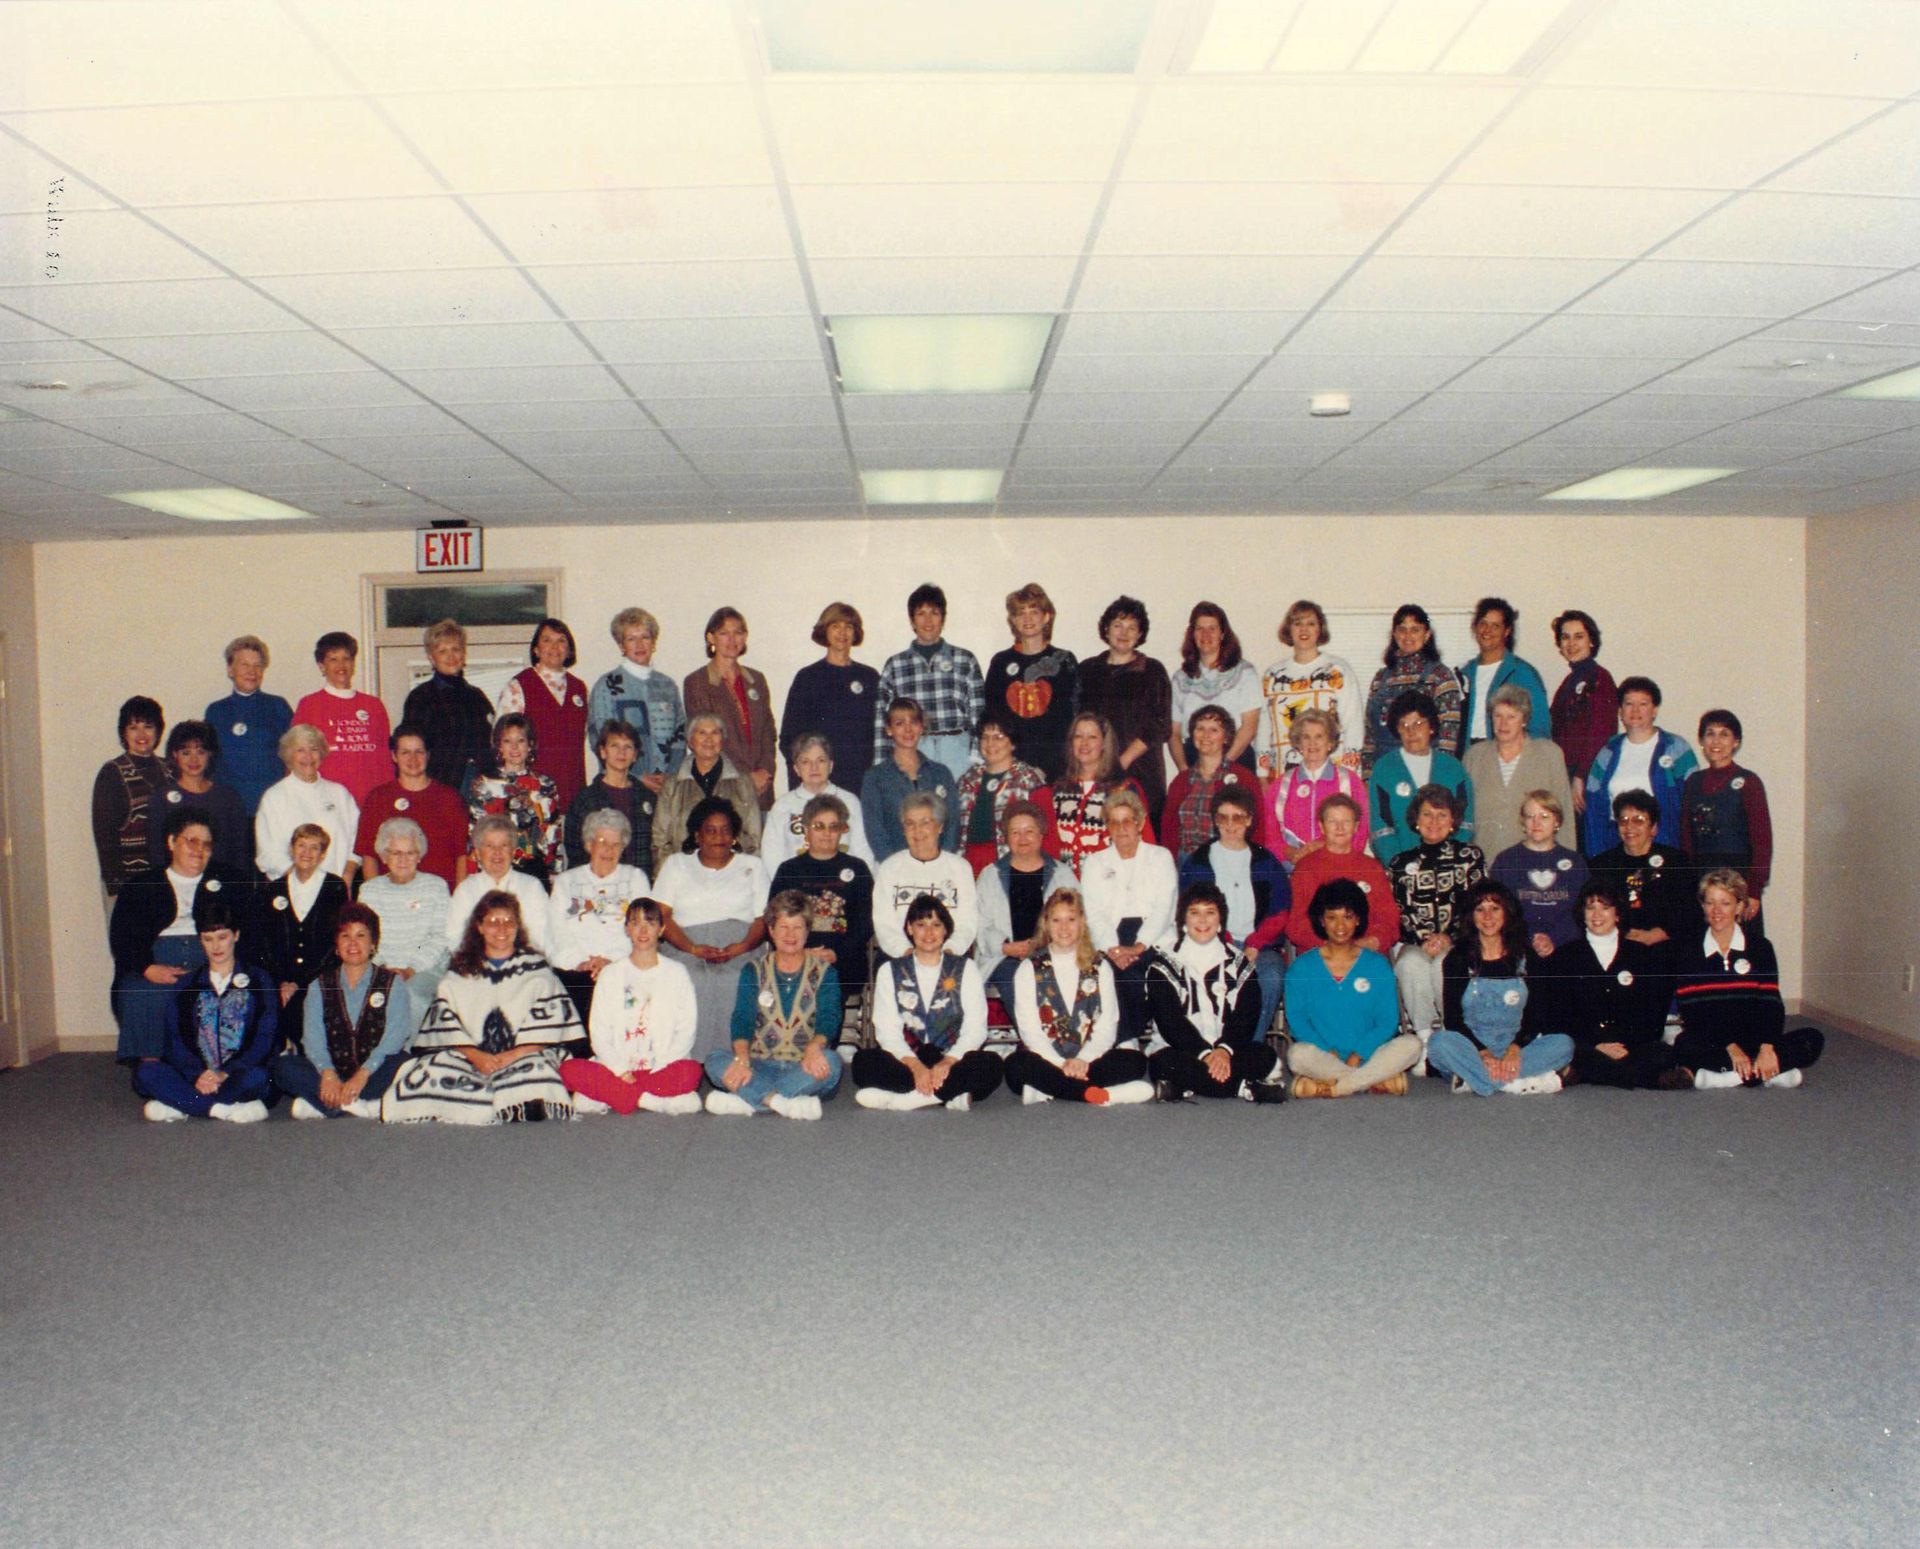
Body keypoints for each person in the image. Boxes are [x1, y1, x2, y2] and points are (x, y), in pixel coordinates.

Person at [384, 891, 584, 1124]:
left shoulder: (537, 969)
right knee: (428, 1072)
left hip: (524, 1055)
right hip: (470, 1056)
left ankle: (477, 1105)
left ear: (518, 926)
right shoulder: (460, 971)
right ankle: (506, 1103)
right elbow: (445, 1024)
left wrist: (512, 1055)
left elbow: (551, 1027)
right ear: (479, 927)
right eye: (493, 921)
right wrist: (476, 1056)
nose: (502, 928)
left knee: (539, 1072)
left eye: (509, 921)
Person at [109, 806, 249, 1065]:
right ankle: (152, 1070)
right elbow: (122, 938)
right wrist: (147, 968)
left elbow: (248, 932)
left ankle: (211, 1068)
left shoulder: (231, 881)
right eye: (191, 841)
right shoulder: (141, 885)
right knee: (141, 992)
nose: (199, 850)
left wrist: (219, 968)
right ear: (172, 842)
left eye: (206, 844)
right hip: (155, 961)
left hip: (213, 958)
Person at [131, 894, 277, 1124]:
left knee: (258, 1078)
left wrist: (224, 1072)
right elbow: (175, 1039)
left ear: (236, 936)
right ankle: (218, 1109)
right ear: (200, 940)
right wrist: (198, 1073)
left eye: (222, 937)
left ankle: (184, 1103)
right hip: (196, 1076)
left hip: (237, 1074)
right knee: (145, 1072)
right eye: (208, 939)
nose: (216, 946)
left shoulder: (259, 980)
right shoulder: (186, 984)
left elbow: (265, 1039)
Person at [1672, 869, 1823, 1091]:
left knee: (1812, 1039)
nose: (1716, 911)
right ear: (1702, 906)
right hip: (1715, 1040)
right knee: (1683, 1044)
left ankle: (1729, 1076)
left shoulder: (1761, 948)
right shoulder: (1688, 950)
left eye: (1725, 903)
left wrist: (1767, 1048)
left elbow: (1771, 1004)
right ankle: (1769, 1074)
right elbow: (1693, 1012)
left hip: (1754, 1038)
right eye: (1710, 903)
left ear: (1739, 906)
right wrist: (1731, 1047)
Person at [1003, 888, 1153, 1106]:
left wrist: (1083, 1060)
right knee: (1016, 1066)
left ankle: (1050, 1089)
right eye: (1056, 920)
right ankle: (1100, 1094)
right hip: (1047, 1059)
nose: (1064, 928)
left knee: (1134, 1061)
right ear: (1046, 924)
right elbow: (1029, 1030)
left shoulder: (1100, 966)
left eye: (1071, 920)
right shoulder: (1029, 968)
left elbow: (1107, 1025)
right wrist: (1060, 1063)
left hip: (1089, 1059)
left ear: (1082, 923)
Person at [1425, 880, 1573, 1096]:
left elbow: (1536, 1015)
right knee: (1439, 1043)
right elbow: (1453, 1020)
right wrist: (1483, 1052)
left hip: (1515, 1048)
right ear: (1471, 915)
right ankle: (1513, 1082)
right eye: (1480, 909)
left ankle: (1477, 1079)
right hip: (1471, 1048)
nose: (1488, 917)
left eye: (1495, 908)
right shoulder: (1457, 959)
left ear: (1507, 912)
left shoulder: (1527, 957)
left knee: (1564, 1044)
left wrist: (1515, 1048)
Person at [856, 894, 1002, 1111]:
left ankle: (911, 1099)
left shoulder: (966, 968)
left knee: (990, 1064)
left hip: (951, 1057)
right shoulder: (889, 971)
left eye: (936, 925)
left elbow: (975, 1029)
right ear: (909, 929)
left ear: (946, 931)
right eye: (921, 925)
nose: (929, 933)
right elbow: (887, 1032)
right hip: (908, 1058)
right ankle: (949, 1093)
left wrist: (948, 1061)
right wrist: (916, 1067)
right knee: (863, 1063)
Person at [704, 891, 843, 1119]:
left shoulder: (825, 972)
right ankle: (781, 1102)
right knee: (715, 1060)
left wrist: (814, 1048)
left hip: (803, 1066)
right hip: (759, 1065)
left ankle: (751, 1099)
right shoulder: (753, 970)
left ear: (807, 931)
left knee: (832, 1062)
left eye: (797, 927)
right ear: (771, 930)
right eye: (783, 927)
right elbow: (742, 1018)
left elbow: (830, 1018)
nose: (790, 935)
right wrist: (742, 1058)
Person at [654, 797, 773, 1061]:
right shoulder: (676, 864)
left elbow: (763, 919)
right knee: (691, 979)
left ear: (734, 836)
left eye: (725, 830)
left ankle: (735, 1062)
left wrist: (741, 947)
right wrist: (692, 948)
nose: (719, 837)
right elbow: (662, 916)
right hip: (685, 945)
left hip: (741, 945)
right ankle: (689, 1062)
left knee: (735, 979)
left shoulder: (752, 866)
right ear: (697, 835)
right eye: (711, 830)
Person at [560, 898, 703, 1116]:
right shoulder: (610, 974)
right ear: (627, 928)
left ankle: (618, 1095)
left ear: (661, 929)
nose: (643, 930)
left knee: (691, 1072)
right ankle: (647, 1099)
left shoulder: (677, 972)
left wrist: (661, 1066)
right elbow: (598, 1033)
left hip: (661, 1069)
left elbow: (687, 1031)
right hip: (618, 1070)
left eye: (650, 923)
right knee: (568, 1069)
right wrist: (620, 1070)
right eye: (636, 923)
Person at [1144, 882, 1282, 1102]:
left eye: (1210, 912)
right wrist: (1205, 1053)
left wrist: (1224, 1050)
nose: (1202, 920)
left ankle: (1183, 1087)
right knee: (1163, 1062)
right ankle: (1245, 1087)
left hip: (1228, 1051)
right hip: (1182, 1050)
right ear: (1183, 921)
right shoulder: (1163, 964)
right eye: (1194, 913)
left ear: (1220, 921)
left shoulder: (1239, 963)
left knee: (1265, 1055)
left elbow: (1246, 1015)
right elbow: (1170, 1022)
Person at [273, 903, 414, 1120]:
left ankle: (326, 1104)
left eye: (361, 935)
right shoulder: (319, 986)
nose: (353, 943)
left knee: (405, 1063)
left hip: (373, 1072)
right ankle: (357, 1105)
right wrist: (328, 1075)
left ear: (373, 943)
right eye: (345, 936)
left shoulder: (392, 983)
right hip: (331, 1072)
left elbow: (395, 1036)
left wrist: (362, 1075)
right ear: (337, 945)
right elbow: (313, 1039)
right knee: (283, 1066)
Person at [1282, 878, 1420, 1099]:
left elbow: (1387, 1021)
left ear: (1358, 920)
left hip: (1370, 1055)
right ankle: (1373, 1080)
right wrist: (1329, 1052)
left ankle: (1335, 1086)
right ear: (1321, 921)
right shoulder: (1301, 968)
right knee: (1297, 1055)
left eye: (1348, 917)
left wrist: (1358, 1054)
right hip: (1324, 1057)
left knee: (1412, 1045)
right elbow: (1298, 1021)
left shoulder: (1377, 965)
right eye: (1332, 917)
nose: (1340, 926)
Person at [1539, 880, 1683, 1091]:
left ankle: (1584, 1074)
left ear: (1617, 914)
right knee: (1570, 1051)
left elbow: (1652, 1014)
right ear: (1583, 914)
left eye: (1605, 907)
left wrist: (1625, 1046)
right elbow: (1558, 1015)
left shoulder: (1643, 955)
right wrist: (1597, 1044)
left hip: (1631, 1047)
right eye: (1591, 908)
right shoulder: (1564, 958)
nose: (1597, 915)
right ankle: (1641, 1078)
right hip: (1587, 1045)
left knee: (1662, 1053)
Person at [1178, 786, 1291, 1034]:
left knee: (1271, 977)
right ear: (1215, 820)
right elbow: (1189, 911)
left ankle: (1251, 1047)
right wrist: (1225, 943)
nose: (1230, 825)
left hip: (1260, 947)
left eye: (1237, 817)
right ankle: (1217, 1046)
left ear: (1249, 820)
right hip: (1212, 944)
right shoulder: (1198, 862)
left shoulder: (1266, 861)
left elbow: (1280, 910)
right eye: (1223, 817)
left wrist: (1255, 944)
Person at [1081, 787, 1178, 1048]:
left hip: (1154, 937)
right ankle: (1127, 1041)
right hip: (1110, 938)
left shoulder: (1160, 857)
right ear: (1107, 828)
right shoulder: (1095, 862)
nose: (1122, 828)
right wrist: (1113, 948)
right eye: (1114, 822)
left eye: (1127, 821)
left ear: (1140, 823)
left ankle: (1144, 1036)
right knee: (1114, 973)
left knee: (1147, 973)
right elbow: (1093, 913)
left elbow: (1164, 908)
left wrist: (1138, 946)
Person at [1390, 784, 1487, 1038]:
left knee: (1445, 964)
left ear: (1453, 820)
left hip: (1460, 940)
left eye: (1442, 815)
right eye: (1427, 814)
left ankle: (1452, 1033)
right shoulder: (1400, 863)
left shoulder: (1470, 857)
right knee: (1410, 964)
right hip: (1416, 942)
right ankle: (1424, 1037)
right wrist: (1425, 938)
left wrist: (1448, 937)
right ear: (1416, 819)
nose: (1434, 822)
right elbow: (1400, 909)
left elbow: (1476, 905)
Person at [872, 582, 984, 778]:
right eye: (921, 613)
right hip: (914, 749)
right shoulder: (895, 665)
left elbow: (978, 713)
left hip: (957, 750)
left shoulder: (964, 660)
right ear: (912, 621)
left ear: (943, 619)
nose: (928, 620)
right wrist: (882, 764)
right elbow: (883, 717)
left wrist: (977, 757)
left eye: (934, 613)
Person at [546, 808, 651, 1018]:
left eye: (615, 844)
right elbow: (555, 931)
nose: (608, 850)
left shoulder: (635, 878)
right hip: (575, 974)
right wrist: (580, 962)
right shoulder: (566, 881)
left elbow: (643, 929)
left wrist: (611, 961)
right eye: (602, 842)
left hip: (623, 969)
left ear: (623, 848)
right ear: (589, 844)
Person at [769, 793, 875, 1000]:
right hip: (795, 958)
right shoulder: (788, 870)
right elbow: (773, 920)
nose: (827, 833)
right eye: (819, 826)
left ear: (842, 830)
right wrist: (801, 953)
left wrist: (836, 953)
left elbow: (866, 922)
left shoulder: (857, 868)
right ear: (805, 830)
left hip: (843, 962)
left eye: (834, 827)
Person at [1075, 595, 1171, 815]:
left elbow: (1160, 725)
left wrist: (1122, 761)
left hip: (1142, 771)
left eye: (1132, 627)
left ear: (1140, 634)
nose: (1124, 633)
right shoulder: (1087, 670)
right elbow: (1078, 722)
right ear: (1106, 629)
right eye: (1118, 625)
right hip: (1094, 770)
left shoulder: (1152, 670)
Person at [1580, 676, 1698, 855]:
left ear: (1654, 710)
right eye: (1629, 704)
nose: (1635, 710)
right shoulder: (1608, 751)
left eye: (1643, 704)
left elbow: (1692, 800)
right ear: (1620, 711)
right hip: (1616, 843)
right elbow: (1594, 805)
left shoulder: (1676, 747)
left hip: (1665, 843)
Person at [974, 800, 1075, 1006]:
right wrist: (1005, 947)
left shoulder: (1062, 874)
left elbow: (1078, 919)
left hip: (1053, 954)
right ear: (1006, 837)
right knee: (1020, 982)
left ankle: (1054, 1027)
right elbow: (979, 925)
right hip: (1004, 958)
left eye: (1029, 831)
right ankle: (1037, 1028)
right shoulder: (990, 876)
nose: (1022, 838)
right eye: (1015, 832)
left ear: (1041, 834)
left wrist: (1043, 946)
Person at [357, 816, 450, 1032]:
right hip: (380, 967)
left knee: (410, 996)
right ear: (384, 856)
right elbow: (365, 938)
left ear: (419, 856)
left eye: (410, 853)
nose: (403, 860)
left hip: (425, 969)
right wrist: (383, 968)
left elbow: (440, 937)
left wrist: (410, 970)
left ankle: (403, 1051)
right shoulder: (370, 890)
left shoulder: (436, 886)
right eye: (396, 853)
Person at [1463, 685, 1576, 861]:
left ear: (1524, 720)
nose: (1503, 723)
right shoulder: (1474, 756)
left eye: (1511, 717)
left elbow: (1565, 814)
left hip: (1535, 862)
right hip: (1484, 860)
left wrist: (1567, 862)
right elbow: (1464, 815)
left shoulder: (1549, 754)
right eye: (1498, 716)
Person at [1283, 793, 1399, 965]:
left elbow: (1389, 919)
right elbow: (1296, 924)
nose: (1340, 828)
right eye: (1332, 821)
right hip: (1321, 955)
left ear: (1356, 826)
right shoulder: (1305, 868)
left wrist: (1372, 941)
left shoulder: (1372, 868)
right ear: (1322, 827)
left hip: (1366, 954)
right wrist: (1334, 947)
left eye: (1346, 821)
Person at [1681, 709, 1772, 925]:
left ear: (1736, 742)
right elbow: (1686, 838)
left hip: (1738, 879)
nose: (1716, 741)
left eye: (1724, 734)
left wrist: (1754, 890)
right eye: (1710, 734)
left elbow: (1762, 841)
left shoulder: (1749, 782)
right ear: (1701, 741)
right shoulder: (1693, 782)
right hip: (1702, 878)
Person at [1036, 712, 1155, 877]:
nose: (1084, 743)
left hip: (1109, 884)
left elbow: (1145, 845)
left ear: (1104, 744)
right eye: (1078, 736)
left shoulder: (1124, 789)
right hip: (1066, 886)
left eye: (1092, 737)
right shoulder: (1058, 789)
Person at [682, 606, 777, 812]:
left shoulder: (756, 680)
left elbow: (768, 732)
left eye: (738, 632)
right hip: (723, 787)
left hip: (762, 787)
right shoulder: (697, 682)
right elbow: (705, 741)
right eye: (724, 633)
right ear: (711, 638)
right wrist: (743, 779)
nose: (732, 639)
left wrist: (766, 771)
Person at [259, 821, 349, 1036]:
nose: (306, 853)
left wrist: (300, 984)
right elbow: (266, 941)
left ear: (322, 855)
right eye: (301, 845)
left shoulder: (335, 887)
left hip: (320, 976)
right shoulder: (274, 890)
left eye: (314, 847)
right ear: (291, 849)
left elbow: (335, 942)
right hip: (280, 979)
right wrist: (282, 981)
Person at [780, 601, 882, 791]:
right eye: (835, 626)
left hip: (860, 778)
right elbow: (789, 737)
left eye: (848, 626)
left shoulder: (869, 677)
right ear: (824, 630)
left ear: (855, 632)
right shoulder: (807, 677)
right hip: (819, 780)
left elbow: (881, 732)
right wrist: (806, 779)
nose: (842, 632)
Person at [354, 722, 470, 888]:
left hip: (440, 896)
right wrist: (375, 895)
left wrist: (458, 898)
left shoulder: (450, 798)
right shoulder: (378, 798)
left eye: (419, 752)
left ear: (428, 755)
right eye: (405, 752)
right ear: (394, 756)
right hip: (392, 896)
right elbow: (369, 856)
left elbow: (462, 856)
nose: (413, 759)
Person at [1258, 599, 1362, 777]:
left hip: (1332, 773)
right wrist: (1262, 772)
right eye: (1297, 623)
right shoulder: (1272, 675)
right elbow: (1263, 727)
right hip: (1284, 773)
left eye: (1311, 624)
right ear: (1289, 629)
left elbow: (1353, 724)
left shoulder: (1338, 670)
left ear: (1320, 629)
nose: (1304, 629)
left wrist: (1349, 773)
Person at [984, 582, 1078, 780]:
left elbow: (1070, 718)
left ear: (1046, 617)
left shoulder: (1064, 660)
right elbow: (993, 717)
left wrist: (1048, 767)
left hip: (1056, 766)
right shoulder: (1001, 662)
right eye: (1020, 613)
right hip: (1009, 766)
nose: (1027, 618)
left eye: (1034, 612)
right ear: (1013, 620)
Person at [1366, 690, 1472, 863]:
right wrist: (1402, 865)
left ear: (1431, 727)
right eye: (1404, 725)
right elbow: (1380, 827)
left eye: (1418, 723)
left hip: (1449, 864)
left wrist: (1447, 860)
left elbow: (1466, 822)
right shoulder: (1384, 769)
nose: (1411, 732)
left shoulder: (1453, 768)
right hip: (1401, 866)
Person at [496, 617, 589, 812]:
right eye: (547, 640)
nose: (554, 647)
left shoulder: (579, 688)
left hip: (573, 791)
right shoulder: (518, 686)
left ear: (569, 650)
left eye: (561, 640)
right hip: (532, 794)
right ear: (536, 650)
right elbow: (502, 742)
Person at [587, 606, 685, 790]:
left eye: (645, 637)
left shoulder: (667, 686)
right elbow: (600, 740)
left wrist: (670, 775)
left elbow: (680, 736)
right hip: (622, 786)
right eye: (631, 639)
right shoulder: (606, 686)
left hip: (665, 788)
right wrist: (637, 777)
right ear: (621, 646)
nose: (639, 645)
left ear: (653, 642)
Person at [1361, 604, 1463, 777]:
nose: (1408, 636)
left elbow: (1449, 735)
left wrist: (1439, 777)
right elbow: (1370, 735)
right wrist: (1368, 776)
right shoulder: (1381, 678)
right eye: (1402, 629)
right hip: (1385, 772)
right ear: (1394, 634)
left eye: (1415, 630)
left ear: (1427, 634)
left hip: (1425, 771)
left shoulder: (1440, 676)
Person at [872, 793, 978, 960]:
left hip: (949, 956)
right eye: (910, 824)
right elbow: (884, 924)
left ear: (940, 827)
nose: (917, 831)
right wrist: (908, 954)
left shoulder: (960, 868)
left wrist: (948, 953)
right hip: (900, 957)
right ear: (903, 829)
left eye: (925, 822)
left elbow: (967, 923)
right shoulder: (889, 868)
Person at [652, 713, 764, 871]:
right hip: (684, 873)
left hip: (732, 872)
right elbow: (660, 839)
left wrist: (745, 873)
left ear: (722, 740)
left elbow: (754, 837)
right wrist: (672, 875)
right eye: (702, 733)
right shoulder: (672, 786)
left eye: (715, 733)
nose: (709, 739)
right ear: (690, 741)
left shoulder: (743, 783)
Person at [291, 630, 391, 806]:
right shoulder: (309, 705)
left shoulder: (373, 705)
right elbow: (296, 758)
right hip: (326, 802)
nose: (341, 665)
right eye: (333, 659)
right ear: (322, 666)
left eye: (346, 658)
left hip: (370, 801)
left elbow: (385, 758)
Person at [462, 712, 563, 882]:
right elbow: (475, 834)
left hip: (534, 871)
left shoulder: (546, 785)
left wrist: (555, 873)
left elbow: (553, 833)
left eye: (520, 741)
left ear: (530, 745)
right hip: (494, 869)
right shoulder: (483, 785)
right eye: (507, 741)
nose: (514, 747)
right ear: (499, 746)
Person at [1587, 790, 1693, 951]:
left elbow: (1690, 911)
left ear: (1653, 828)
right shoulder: (1601, 865)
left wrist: (1660, 934)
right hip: (1616, 947)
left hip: (1665, 947)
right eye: (1623, 820)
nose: (1629, 827)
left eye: (1639, 820)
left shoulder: (1676, 861)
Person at [1489, 790, 1589, 957]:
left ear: (1557, 821)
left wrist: (1554, 939)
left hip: (1566, 945)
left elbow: (1581, 911)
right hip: (1517, 946)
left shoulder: (1575, 862)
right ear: (1523, 822)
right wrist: (1531, 938)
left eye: (1544, 816)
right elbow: (1498, 911)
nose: (1536, 823)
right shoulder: (1505, 861)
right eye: (1530, 816)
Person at [254, 723, 360, 881]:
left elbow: (356, 842)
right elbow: (267, 854)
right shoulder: (274, 797)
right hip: (291, 885)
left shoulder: (339, 793)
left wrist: (347, 875)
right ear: (289, 755)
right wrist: (304, 882)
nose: (308, 757)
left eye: (314, 749)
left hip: (337, 886)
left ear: (322, 753)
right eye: (300, 750)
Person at [1162, 705, 1267, 860]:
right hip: (1187, 861)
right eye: (1200, 728)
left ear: (1226, 738)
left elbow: (1259, 825)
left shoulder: (1243, 778)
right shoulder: (1181, 781)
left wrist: (1253, 862)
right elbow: (1168, 830)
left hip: (1228, 858)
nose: (1206, 735)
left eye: (1214, 730)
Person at [1168, 602, 1261, 776]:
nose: (1206, 634)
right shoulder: (1180, 678)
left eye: (1212, 628)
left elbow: (1249, 727)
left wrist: (1224, 765)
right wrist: (1184, 770)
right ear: (1192, 634)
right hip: (1194, 760)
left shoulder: (1244, 672)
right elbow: (1173, 733)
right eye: (1199, 628)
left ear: (1222, 634)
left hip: (1236, 758)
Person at [144, 719, 250, 873]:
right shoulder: (162, 798)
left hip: (221, 880)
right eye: (186, 753)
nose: (193, 760)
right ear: (175, 755)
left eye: (200, 752)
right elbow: (156, 853)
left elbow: (240, 852)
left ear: (210, 754)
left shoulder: (228, 797)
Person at [400, 618, 494, 790]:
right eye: (442, 651)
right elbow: (411, 749)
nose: (451, 656)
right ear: (431, 658)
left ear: (463, 654)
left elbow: (490, 745)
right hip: (439, 788)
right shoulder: (420, 698)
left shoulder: (477, 697)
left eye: (456, 649)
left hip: (479, 789)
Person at [861, 697, 959, 860]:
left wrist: (940, 862)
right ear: (889, 729)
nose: (908, 729)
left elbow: (952, 825)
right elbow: (875, 832)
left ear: (921, 726)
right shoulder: (875, 777)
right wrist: (897, 867)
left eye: (913, 722)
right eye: (899, 723)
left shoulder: (941, 773)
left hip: (939, 865)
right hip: (896, 866)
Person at [204, 634, 292, 816]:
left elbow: (293, 756)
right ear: (230, 670)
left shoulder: (278, 706)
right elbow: (208, 762)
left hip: (272, 806)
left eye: (257, 665)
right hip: (228, 808)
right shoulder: (215, 711)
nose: (252, 671)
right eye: (244, 665)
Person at [93, 694, 168, 904]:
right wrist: (116, 886)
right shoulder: (112, 772)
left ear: (158, 730)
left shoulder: (170, 769)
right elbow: (104, 834)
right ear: (124, 732)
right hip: (128, 883)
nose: (142, 734)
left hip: (166, 881)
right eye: (134, 727)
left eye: (148, 726)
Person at [1267, 708, 1366, 865]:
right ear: (1298, 743)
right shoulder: (1280, 785)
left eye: (1319, 736)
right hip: (1291, 866)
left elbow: (1361, 830)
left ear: (1330, 743)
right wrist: (1290, 853)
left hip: (1338, 863)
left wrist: (1325, 848)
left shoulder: (1350, 781)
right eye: (1306, 737)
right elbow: (1269, 833)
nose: (1312, 743)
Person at [445, 815, 552, 956]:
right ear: (478, 852)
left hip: (524, 962)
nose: (497, 852)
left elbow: (542, 936)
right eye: (489, 845)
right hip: (477, 962)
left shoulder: (531, 887)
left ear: (513, 851)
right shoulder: (466, 889)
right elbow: (454, 936)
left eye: (504, 845)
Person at [954, 711, 1046, 873]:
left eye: (998, 737)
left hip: (1011, 865)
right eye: (985, 737)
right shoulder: (967, 780)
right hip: (967, 865)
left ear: (1013, 743)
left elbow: (1048, 834)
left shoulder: (1029, 780)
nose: (990, 743)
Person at [764, 734, 874, 867]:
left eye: (821, 760)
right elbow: (771, 855)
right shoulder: (782, 806)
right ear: (796, 769)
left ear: (831, 765)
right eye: (806, 762)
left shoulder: (850, 802)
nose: (814, 767)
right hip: (797, 877)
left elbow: (864, 850)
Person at [1549, 609, 1617, 819]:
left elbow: (1600, 732)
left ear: (1592, 641)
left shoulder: (1600, 679)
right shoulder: (1569, 682)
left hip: (1588, 778)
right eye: (1565, 637)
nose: (1571, 643)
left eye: (1578, 636)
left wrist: (1580, 778)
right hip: (1566, 775)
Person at [564, 720, 656, 873]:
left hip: (640, 880)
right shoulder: (586, 799)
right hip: (598, 880)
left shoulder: (648, 798)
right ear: (603, 752)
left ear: (635, 755)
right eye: (614, 746)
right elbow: (574, 850)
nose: (621, 752)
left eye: (628, 747)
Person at [1460, 596, 1551, 746]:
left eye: (1495, 626)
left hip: (1507, 753)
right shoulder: (1464, 674)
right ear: (1475, 627)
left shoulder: (1523, 673)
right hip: (1469, 754)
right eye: (1483, 623)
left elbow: (1540, 729)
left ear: (1507, 631)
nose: (1487, 630)